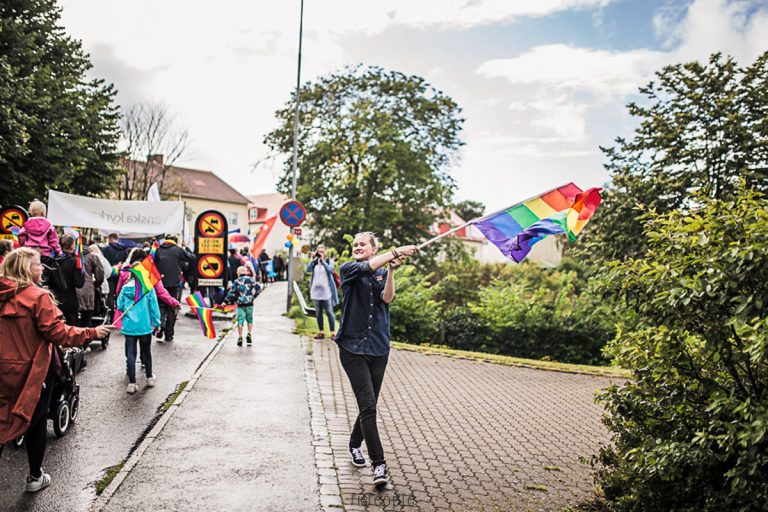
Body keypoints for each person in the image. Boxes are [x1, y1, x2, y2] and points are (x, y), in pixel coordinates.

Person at [0, 248, 111, 492]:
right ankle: (35, 477)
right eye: (38, 264)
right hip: (32, 371)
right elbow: (58, 333)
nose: (42, 268)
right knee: (35, 421)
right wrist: (92, 332)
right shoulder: (38, 297)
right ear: (26, 269)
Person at [335, 232, 418, 487]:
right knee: (369, 406)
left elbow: (387, 299)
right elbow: (366, 268)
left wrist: (392, 271)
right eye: (355, 244)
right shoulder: (349, 269)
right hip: (352, 349)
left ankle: (353, 444)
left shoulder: (381, 272)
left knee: (368, 405)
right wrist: (397, 251)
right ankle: (379, 465)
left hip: (379, 347)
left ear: (373, 249)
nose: (357, 247)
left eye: (363, 244)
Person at [116, 249, 161, 393]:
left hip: (129, 326)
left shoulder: (125, 288)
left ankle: (132, 383)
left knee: (131, 353)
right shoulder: (148, 288)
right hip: (145, 325)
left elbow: (120, 306)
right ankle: (149, 378)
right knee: (146, 352)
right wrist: (157, 323)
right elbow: (154, 307)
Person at [153, 234, 193, 342]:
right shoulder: (178, 250)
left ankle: (161, 325)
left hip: (160, 282)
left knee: (161, 306)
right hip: (173, 284)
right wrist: (186, 248)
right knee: (172, 307)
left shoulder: (158, 250)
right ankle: (169, 334)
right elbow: (192, 258)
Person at [306, 244, 338, 339]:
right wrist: (313, 259)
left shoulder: (329, 261)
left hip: (326, 291)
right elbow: (308, 269)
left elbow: (331, 270)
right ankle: (321, 332)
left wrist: (323, 260)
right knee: (318, 312)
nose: (320, 254)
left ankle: (332, 332)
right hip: (316, 291)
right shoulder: (315, 262)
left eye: (322, 252)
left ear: (325, 252)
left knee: (329, 312)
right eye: (318, 252)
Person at [52, 234, 85, 326]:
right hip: (69, 299)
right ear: (72, 246)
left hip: (54, 298)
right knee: (71, 327)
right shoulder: (74, 262)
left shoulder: (52, 260)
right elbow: (79, 283)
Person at [225, 266, 260, 346]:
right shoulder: (251, 279)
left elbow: (232, 292)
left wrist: (226, 300)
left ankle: (240, 337)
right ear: (245, 272)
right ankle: (249, 333)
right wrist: (254, 296)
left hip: (241, 304)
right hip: (250, 303)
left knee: (240, 321)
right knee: (249, 319)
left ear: (238, 273)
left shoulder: (236, 281)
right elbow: (258, 288)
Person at [76, 245, 105, 330]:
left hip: (71, 291)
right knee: (87, 317)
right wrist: (96, 285)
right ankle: (85, 340)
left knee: (72, 317)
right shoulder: (92, 256)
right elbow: (100, 274)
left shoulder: (70, 256)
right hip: (87, 289)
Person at [101, 233, 128, 310]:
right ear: (117, 239)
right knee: (120, 293)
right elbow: (126, 262)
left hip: (109, 275)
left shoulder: (106, 249)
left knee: (110, 295)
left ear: (110, 239)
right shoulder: (124, 250)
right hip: (121, 275)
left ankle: (111, 313)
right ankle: (119, 311)